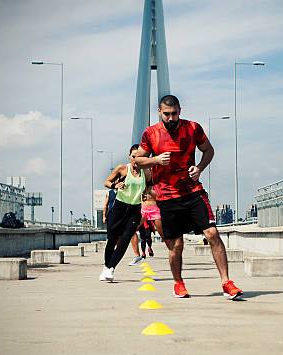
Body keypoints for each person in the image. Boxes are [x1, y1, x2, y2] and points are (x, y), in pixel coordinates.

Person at [135, 94, 243, 300]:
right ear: (160, 112)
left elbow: (209, 150)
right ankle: (178, 283)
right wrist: (156, 159)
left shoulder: (193, 128)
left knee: (212, 234)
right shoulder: (150, 134)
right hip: (167, 197)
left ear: (180, 111)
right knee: (177, 245)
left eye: (174, 113)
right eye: (166, 114)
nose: (170, 118)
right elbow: (138, 160)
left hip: (193, 191)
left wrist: (200, 168)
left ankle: (227, 282)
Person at [100, 144, 150, 282]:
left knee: (126, 239)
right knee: (112, 240)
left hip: (134, 210)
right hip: (119, 208)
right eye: (133, 156)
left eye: (139, 157)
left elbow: (149, 186)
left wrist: (146, 194)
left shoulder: (145, 173)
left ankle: (111, 268)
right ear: (129, 156)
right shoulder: (123, 169)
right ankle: (106, 267)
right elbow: (106, 182)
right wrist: (115, 185)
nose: (136, 159)